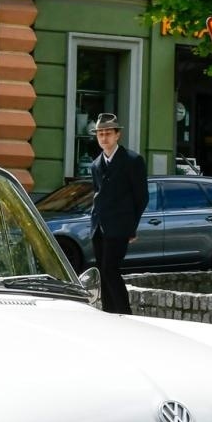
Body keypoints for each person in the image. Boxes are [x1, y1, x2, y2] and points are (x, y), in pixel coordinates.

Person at [87, 112, 147, 315]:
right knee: (103, 274)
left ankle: (124, 313)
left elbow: (141, 197)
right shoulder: (96, 164)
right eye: (100, 134)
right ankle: (109, 314)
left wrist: (132, 227)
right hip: (98, 228)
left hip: (120, 227)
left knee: (110, 269)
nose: (104, 138)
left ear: (117, 135)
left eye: (108, 133)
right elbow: (98, 194)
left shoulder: (133, 160)